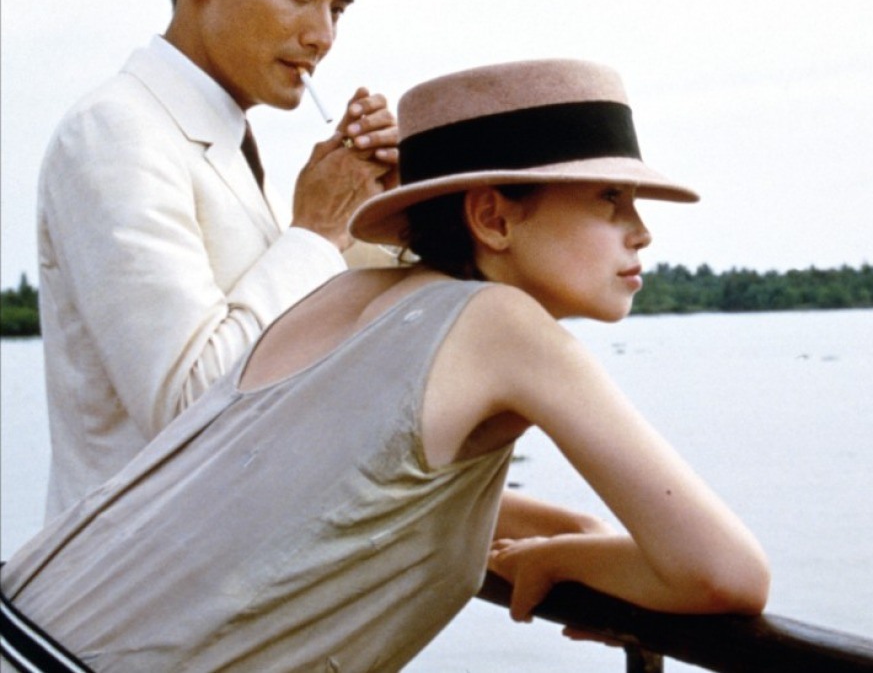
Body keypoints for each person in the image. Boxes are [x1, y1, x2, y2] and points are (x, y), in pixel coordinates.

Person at [0, 58, 771, 672]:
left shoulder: (345, 299)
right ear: (493, 216)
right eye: (608, 198)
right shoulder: (504, 325)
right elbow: (727, 573)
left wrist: (569, 535)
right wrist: (570, 558)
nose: (641, 231)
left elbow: (339, 498)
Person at [35, 0, 400, 519]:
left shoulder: (226, 148)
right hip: (132, 574)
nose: (322, 34)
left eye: (337, 8)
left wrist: (383, 212)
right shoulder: (115, 130)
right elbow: (189, 405)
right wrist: (316, 231)